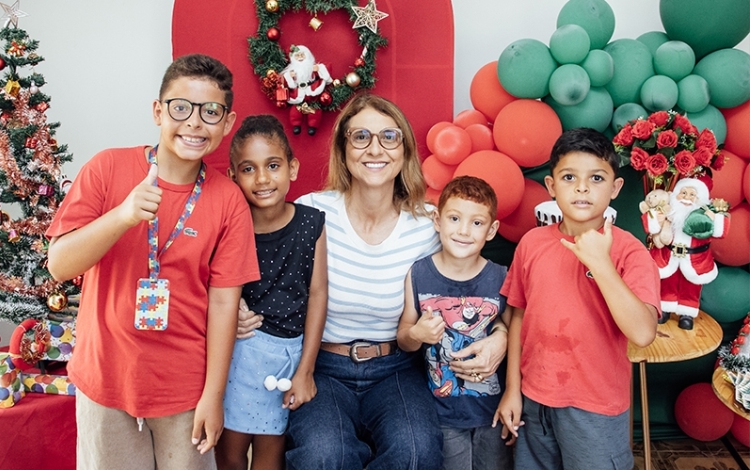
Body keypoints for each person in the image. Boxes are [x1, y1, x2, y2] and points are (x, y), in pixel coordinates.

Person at [237, 93, 507, 469]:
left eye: (389, 137)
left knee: (416, 452)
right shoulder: (313, 212)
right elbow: (253, 260)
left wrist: (501, 336)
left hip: (395, 369)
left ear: (405, 150)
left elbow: (479, 287)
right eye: (360, 136)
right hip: (323, 367)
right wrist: (238, 304)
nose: (375, 148)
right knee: (323, 454)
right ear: (343, 149)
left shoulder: (430, 224)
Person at [46, 54, 260, 470]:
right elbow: (59, 265)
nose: (195, 123)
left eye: (210, 112)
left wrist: (213, 397)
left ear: (227, 122)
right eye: (181, 108)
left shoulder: (227, 199)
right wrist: (123, 215)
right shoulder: (107, 168)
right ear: (158, 111)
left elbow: (222, 303)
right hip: (105, 377)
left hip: (183, 389)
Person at [495, 127, 661, 470]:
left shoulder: (630, 251)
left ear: (615, 188)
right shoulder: (532, 244)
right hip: (535, 400)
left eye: (597, 178)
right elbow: (519, 319)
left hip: (596, 408)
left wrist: (601, 264)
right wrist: (513, 390)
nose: (582, 187)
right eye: (569, 177)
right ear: (552, 186)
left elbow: (643, 333)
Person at [215, 114, 328, 470]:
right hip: (235, 357)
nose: (262, 179)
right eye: (248, 169)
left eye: (273, 165)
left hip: (288, 358)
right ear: (233, 177)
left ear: (292, 168)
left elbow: (318, 294)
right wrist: (230, 310)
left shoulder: (311, 223)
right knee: (230, 452)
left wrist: (305, 370)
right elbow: (207, 284)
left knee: (271, 452)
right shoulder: (228, 225)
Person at [397, 175, 513, 470]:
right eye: (454, 218)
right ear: (437, 220)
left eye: (477, 222)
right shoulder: (419, 274)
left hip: (492, 410)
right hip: (442, 412)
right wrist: (418, 333)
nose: (464, 231)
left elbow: (519, 331)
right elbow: (403, 338)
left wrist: (503, 336)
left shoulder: (500, 277)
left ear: (492, 230)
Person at [642, 177, 730, 330]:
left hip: (695, 260)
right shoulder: (669, 212)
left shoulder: (705, 216)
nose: (687, 198)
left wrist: (715, 219)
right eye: (683, 193)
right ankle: (665, 309)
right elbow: (651, 226)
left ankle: (687, 313)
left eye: (692, 194)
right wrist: (657, 218)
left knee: (691, 286)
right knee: (667, 283)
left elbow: (720, 231)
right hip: (669, 256)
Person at [280, 44, 332, 135]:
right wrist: (289, 76)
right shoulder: (292, 70)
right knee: (295, 111)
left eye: (302, 55)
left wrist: (319, 69)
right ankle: (296, 125)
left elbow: (326, 75)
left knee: (315, 110)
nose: (300, 58)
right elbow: (284, 81)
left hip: (312, 92)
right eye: (297, 56)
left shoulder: (313, 68)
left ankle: (313, 126)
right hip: (298, 93)